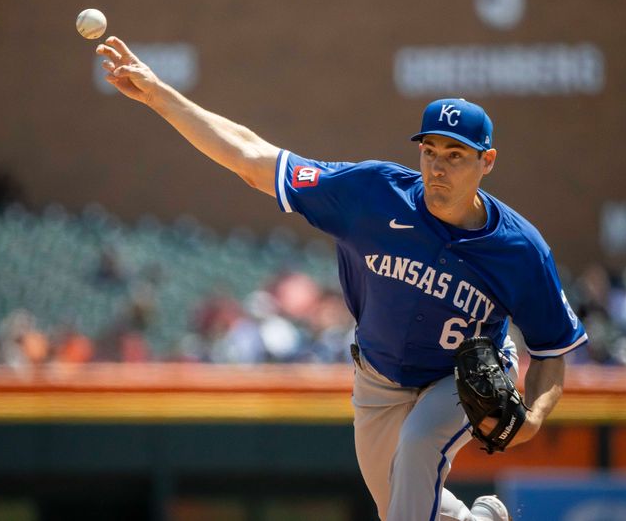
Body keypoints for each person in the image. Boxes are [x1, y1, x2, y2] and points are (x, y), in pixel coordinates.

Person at [96, 36, 588, 521]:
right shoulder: (371, 196)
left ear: (487, 161)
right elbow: (251, 158)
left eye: (455, 155)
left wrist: (534, 419)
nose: (438, 166)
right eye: (430, 151)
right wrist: (159, 94)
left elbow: (552, 351)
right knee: (401, 500)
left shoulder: (521, 249)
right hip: (378, 377)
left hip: (458, 378)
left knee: (419, 449)